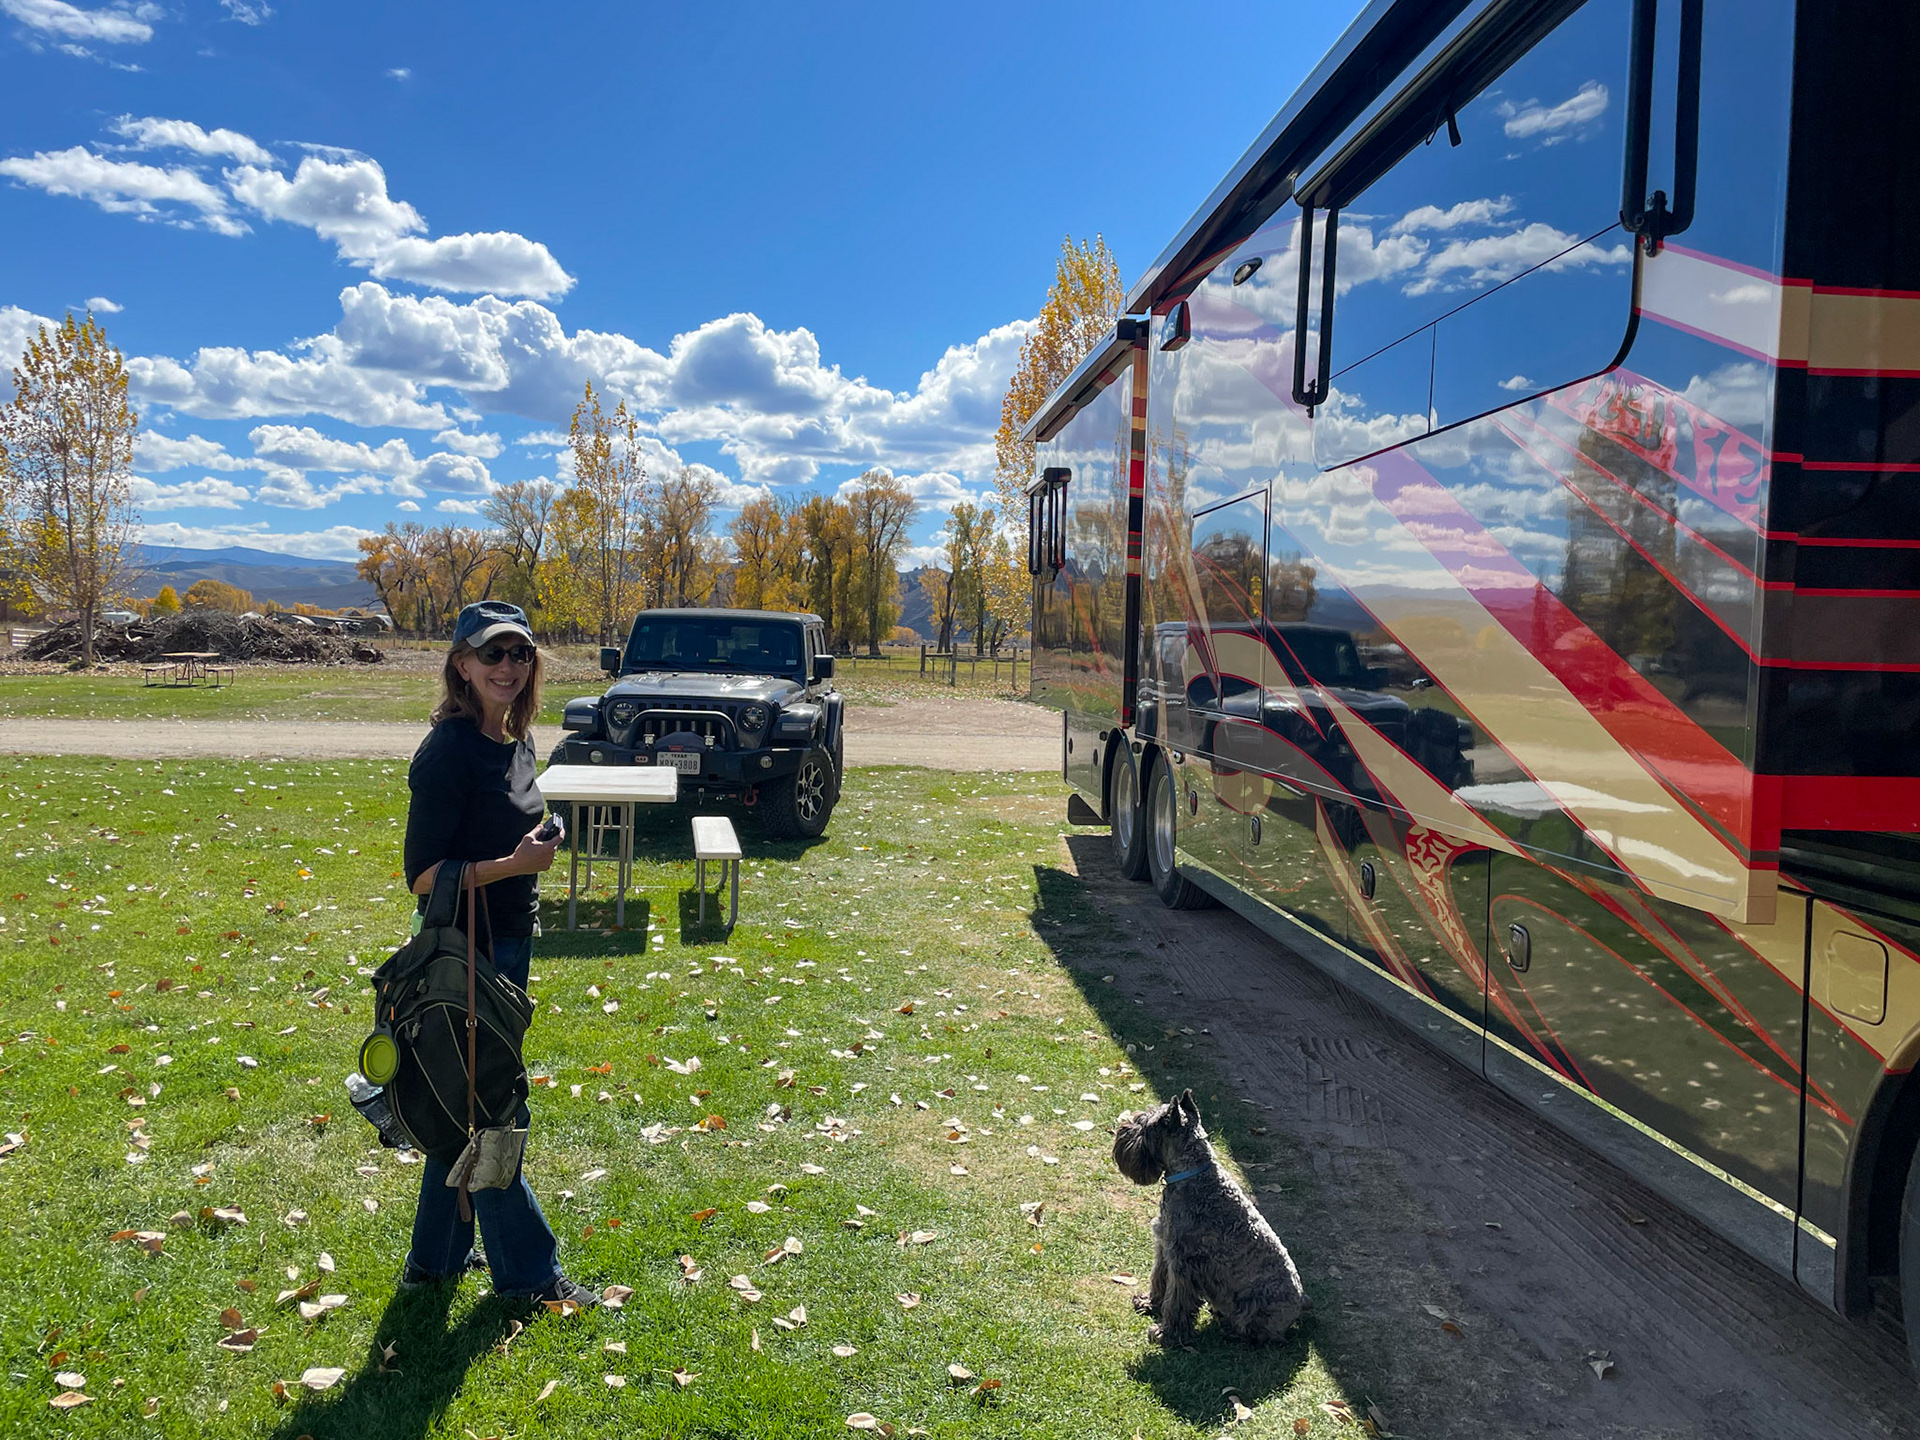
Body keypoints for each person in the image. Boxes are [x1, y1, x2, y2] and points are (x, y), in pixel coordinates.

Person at [399, 600, 597, 1308]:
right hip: (465, 954)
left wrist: (536, 844)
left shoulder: (514, 740)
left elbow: (504, 831)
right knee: (495, 1108)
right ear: (461, 665)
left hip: (510, 942)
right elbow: (422, 875)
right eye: (491, 653)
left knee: (465, 1102)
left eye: (519, 653)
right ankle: (530, 1276)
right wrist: (512, 865)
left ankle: (432, 1263)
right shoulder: (447, 753)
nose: (507, 666)